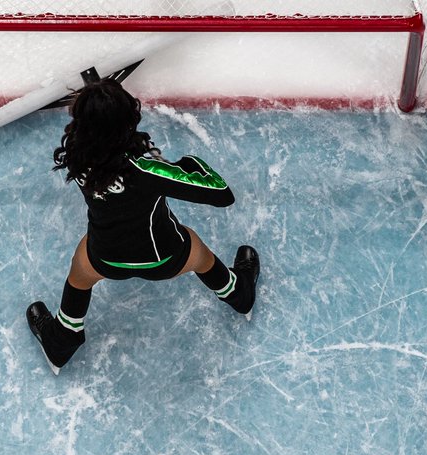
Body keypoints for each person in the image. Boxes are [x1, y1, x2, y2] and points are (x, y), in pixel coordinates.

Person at [27, 77, 260, 374]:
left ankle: (62, 342)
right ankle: (239, 295)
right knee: (197, 251)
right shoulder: (147, 169)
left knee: (80, 271)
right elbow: (221, 194)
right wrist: (188, 164)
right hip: (164, 258)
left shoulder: (76, 156)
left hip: (106, 258)